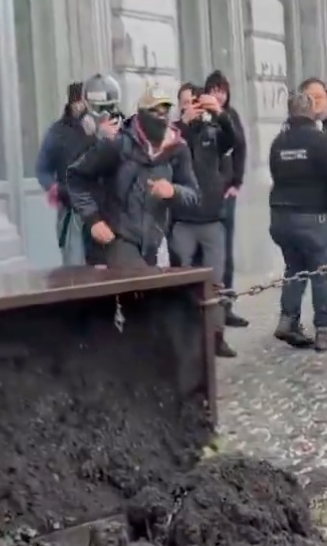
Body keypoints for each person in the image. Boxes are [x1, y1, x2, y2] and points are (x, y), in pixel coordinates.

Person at [64, 87, 200, 268]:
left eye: (164, 112)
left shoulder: (177, 149)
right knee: (137, 284)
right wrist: (93, 220)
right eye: (154, 111)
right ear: (142, 114)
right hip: (118, 236)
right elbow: (76, 176)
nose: (160, 117)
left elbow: (194, 195)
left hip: (155, 241)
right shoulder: (118, 144)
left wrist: (173, 191)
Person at [268, 85, 327, 351]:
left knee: (294, 269)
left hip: (281, 217)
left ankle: (287, 320)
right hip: (314, 217)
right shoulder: (323, 141)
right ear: (312, 110)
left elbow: (275, 175)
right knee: (321, 274)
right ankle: (324, 331)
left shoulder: (278, 142)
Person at [172, 82, 240, 357]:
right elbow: (168, 155)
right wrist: (185, 127)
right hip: (182, 219)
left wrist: (220, 113)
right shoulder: (173, 133)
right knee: (181, 283)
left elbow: (234, 141)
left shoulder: (213, 132)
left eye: (195, 102)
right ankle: (186, 341)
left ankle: (216, 338)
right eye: (186, 102)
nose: (191, 107)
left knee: (216, 282)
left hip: (212, 218)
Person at [35, 81, 104, 266]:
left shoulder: (100, 127)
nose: (82, 106)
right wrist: (54, 188)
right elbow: (43, 168)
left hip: (100, 206)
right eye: (79, 101)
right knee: (74, 263)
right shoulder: (57, 132)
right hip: (70, 207)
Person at [202, 71, 250, 329]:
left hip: (226, 193)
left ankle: (226, 306)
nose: (219, 95)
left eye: (223, 90)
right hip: (205, 194)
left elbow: (240, 148)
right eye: (214, 89)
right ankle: (208, 307)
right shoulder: (202, 116)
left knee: (226, 253)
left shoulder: (231, 117)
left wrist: (237, 183)